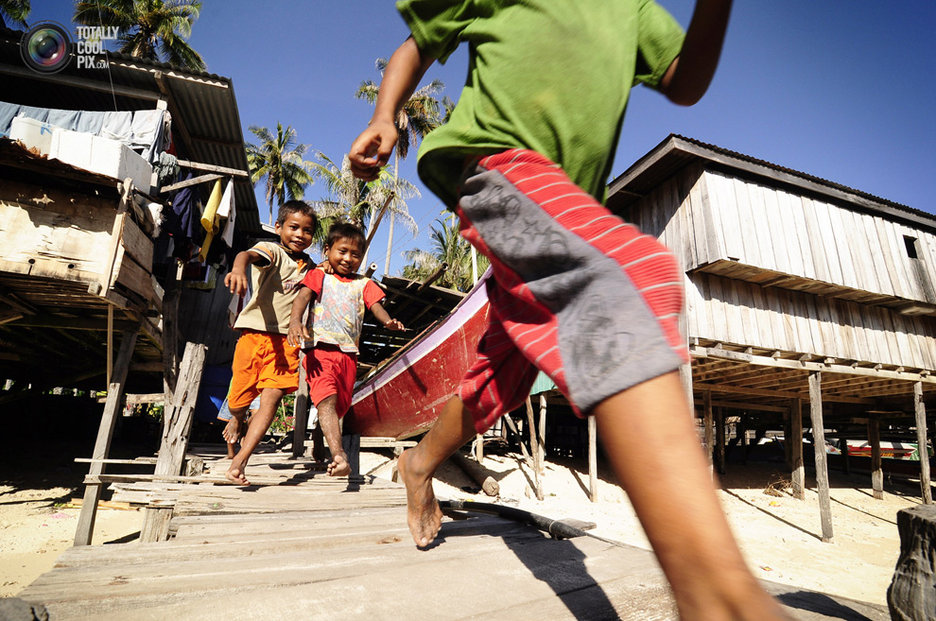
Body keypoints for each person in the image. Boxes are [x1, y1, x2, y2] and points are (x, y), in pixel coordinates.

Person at [348, 1, 791, 619]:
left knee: (497, 383)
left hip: (564, 211)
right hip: (496, 169)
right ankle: (717, 598)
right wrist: (385, 114)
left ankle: (417, 465)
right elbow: (416, 44)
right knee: (637, 272)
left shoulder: (634, 10)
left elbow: (685, 82)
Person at [287, 222, 404, 477]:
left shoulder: (363, 284)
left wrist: (387, 321)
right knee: (326, 399)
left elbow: (376, 306)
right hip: (318, 349)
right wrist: (295, 321)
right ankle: (339, 456)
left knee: (339, 404)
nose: (348, 259)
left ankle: (319, 435)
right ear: (327, 250)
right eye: (342, 251)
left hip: (349, 354)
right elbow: (302, 298)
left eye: (355, 254)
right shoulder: (319, 275)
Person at [222, 200, 316, 485]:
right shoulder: (272, 251)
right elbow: (245, 255)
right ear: (279, 228)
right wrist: (238, 269)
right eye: (294, 227)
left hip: (287, 342)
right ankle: (236, 417)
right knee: (239, 400)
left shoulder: (312, 268)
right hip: (254, 336)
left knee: (271, 400)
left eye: (308, 230)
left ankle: (240, 462)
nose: (300, 234)